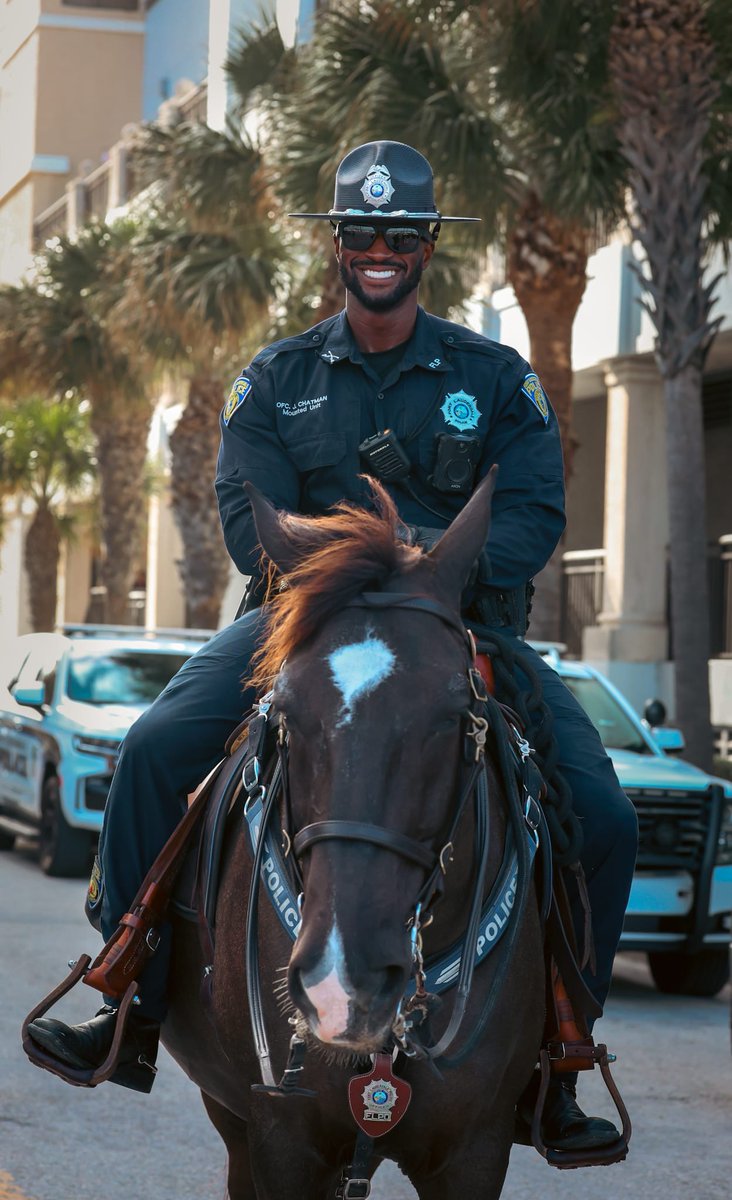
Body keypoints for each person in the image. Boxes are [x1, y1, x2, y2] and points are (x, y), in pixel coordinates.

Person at [28, 141, 638, 1152]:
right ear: (339, 246)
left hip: (461, 628)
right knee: (151, 749)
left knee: (605, 817)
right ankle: (124, 989)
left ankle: (563, 1050)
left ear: (429, 245)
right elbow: (243, 514)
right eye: (363, 232)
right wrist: (359, 567)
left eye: (401, 233)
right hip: (302, 628)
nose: (381, 250)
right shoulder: (278, 378)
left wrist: (429, 579)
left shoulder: (496, 381)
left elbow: (531, 513)